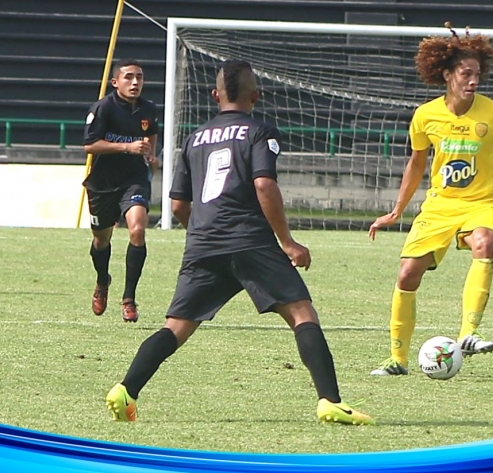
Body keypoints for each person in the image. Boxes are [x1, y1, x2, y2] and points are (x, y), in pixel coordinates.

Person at [106, 59, 374, 426]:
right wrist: (288, 241)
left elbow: (178, 204)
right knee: (301, 314)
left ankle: (125, 390)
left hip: (203, 242)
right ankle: (330, 401)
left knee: (176, 327)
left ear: (216, 95)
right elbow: (264, 185)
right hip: (250, 240)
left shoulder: (194, 138)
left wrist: (203, 233)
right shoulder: (260, 131)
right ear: (256, 96)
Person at [368, 25, 493, 376]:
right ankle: (398, 359)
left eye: (477, 74)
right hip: (439, 205)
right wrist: (396, 210)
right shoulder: (426, 115)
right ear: (447, 75)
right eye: (466, 74)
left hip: (483, 202)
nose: (474, 80)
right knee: (407, 274)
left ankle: (468, 333)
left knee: (483, 243)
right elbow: (416, 163)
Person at [83, 58, 160, 323]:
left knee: (137, 229)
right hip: (103, 184)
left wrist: (151, 154)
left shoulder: (149, 109)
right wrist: (126, 147)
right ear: (115, 82)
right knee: (101, 240)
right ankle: (102, 281)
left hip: (134, 179)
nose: (135, 82)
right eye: (128, 77)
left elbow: (151, 134)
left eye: (139, 77)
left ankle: (129, 299)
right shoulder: (103, 108)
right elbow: (90, 145)